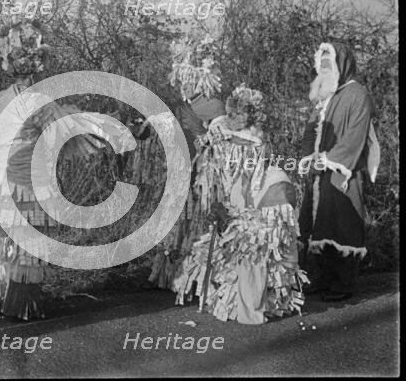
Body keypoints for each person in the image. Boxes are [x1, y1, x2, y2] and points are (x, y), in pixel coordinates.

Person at [0, 20, 109, 320]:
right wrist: (102, 126)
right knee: (27, 242)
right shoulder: (39, 101)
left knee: (0, 241)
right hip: (25, 184)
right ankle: (20, 305)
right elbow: (64, 133)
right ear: (38, 67)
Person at [170, 84, 308, 324]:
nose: (231, 118)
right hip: (260, 193)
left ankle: (253, 310)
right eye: (230, 113)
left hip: (268, 198)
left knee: (253, 251)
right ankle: (253, 302)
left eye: (236, 114)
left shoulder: (249, 140)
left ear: (249, 115)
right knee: (248, 250)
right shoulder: (236, 133)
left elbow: (245, 177)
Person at [298, 42, 379, 302]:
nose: (324, 69)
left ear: (341, 65)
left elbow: (356, 136)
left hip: (344, 172)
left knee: (342, 223)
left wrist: (330, 159)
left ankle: (342, 283)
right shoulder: (325, 94)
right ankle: (317, 278)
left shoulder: (359, 95)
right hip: (319, 172)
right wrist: (308, 155)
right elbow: (311, 129)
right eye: (321, 65)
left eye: (328, 64)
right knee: (314, 222)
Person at [148, 33, 226, 290]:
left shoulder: (212, 105)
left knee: (198, 221)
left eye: (186, 79)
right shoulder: (182, 105)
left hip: (203, 177)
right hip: (183, 172)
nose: (182, 84)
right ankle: (175, 276)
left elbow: (222, 139)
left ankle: (196, 279)